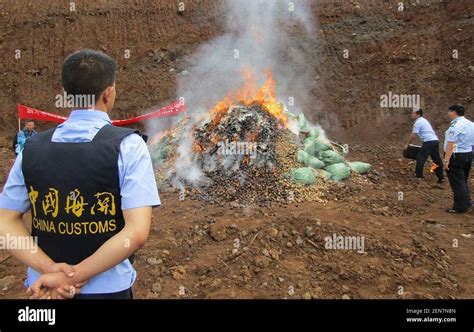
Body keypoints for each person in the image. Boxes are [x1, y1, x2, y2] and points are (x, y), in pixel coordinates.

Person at [0, 49, 160, 299]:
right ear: (109, 92)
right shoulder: (129, 146)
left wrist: (51, 270)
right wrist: (76, 275)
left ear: (66, 94)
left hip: (44, 288)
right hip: (107, 289)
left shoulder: (31, 149)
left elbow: (5, 220)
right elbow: (137, 233)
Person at [443, 104, 473, 214]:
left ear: (454, 112)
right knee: (463, 180)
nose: (448, 114)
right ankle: (467, 202)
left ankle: (460, 207)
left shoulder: (455, 125)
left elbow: (451, 144)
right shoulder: (470, 124)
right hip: (468, 154)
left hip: (456, 155)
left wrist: (446, 160)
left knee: (457, 182)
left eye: (449, 111)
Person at [405, 108, 444, 182]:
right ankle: (440, 177)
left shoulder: (418, 122)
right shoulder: (424, 120)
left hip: (428, 141)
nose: (412, 114)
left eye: (413, 113)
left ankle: (418, 176)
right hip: (435, 141)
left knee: (420, 157)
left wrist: (408, 144)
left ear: (418, 114)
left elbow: (413, 135)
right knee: (436, 159)